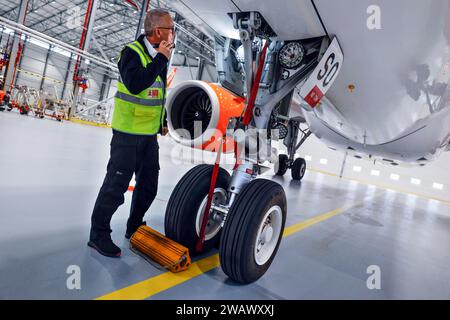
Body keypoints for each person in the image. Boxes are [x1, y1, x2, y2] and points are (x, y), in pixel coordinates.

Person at [88, 9, 175, 258]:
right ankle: (98, 235)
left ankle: (134, 225)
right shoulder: (131, 53)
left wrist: (162, 121)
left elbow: (157, 92)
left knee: (149, 186)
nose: (173, 32)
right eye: (170, 28)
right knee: (115, 186)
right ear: (158, 32)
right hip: (127, 135)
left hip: (149, 136)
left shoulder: (160, 55)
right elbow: (137, 85)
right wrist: (160, 58)